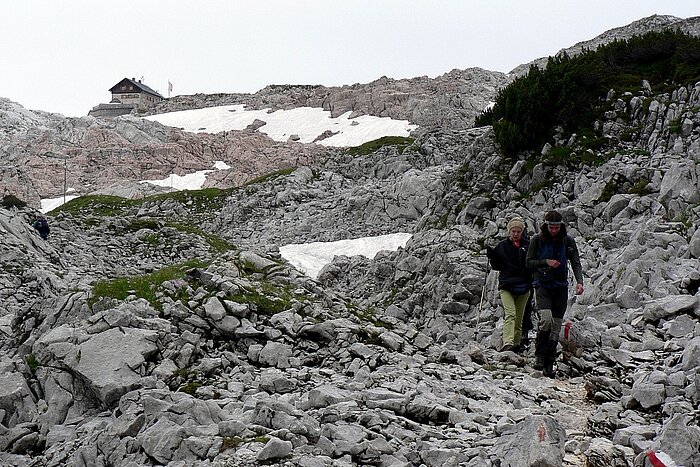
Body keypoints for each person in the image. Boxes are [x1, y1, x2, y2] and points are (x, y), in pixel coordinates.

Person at [526, 210, 584, 377]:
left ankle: (549, 363)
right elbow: (529, 262)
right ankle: (539, 355)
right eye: (551, 227)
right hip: (542, 285)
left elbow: (576, 262)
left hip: (560, 287)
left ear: (561, 226)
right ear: (546, 226)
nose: (554, 230)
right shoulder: (537, 240)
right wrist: (546, 262)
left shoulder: (568, 241)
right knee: (545, 319)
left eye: (557, 227)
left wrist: (579, 282)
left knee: (556, 325)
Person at [486, 217, 532, 352]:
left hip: (524, 286)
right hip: (507, 285)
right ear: (509, 231)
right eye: (513, 231)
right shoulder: (502, 246)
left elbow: (532, 265)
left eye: (518, 231)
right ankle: (508, 342)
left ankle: (515, 344)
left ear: (522, 231)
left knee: (519, 317)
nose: (516, 234)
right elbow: (497, 266)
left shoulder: (528, 245)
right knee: (511, 314)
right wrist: (492, 256)